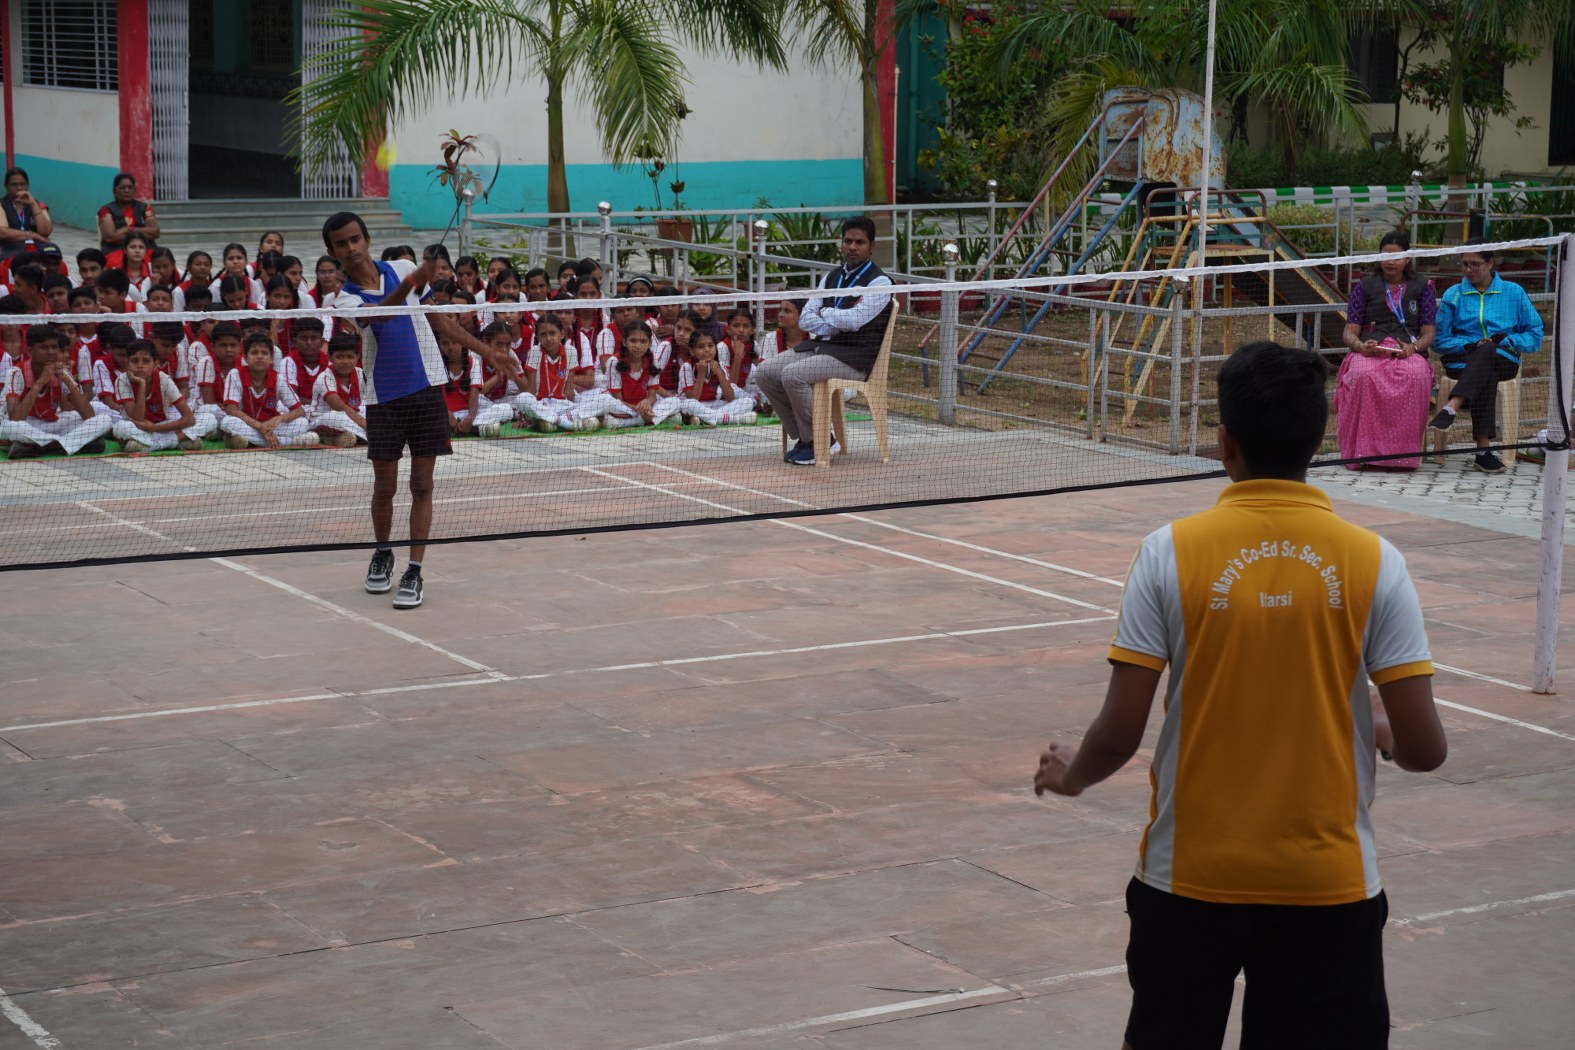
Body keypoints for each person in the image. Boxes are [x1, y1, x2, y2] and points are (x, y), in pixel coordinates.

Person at [1033, 341, 1446, 1050]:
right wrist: (1380, 729)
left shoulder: (1167, 551)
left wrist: (1074, 775)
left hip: (1188, 878)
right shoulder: (1377, 561)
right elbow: (1426, 749)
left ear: (1225, 443)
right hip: (1327, 882)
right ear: (1318, 440)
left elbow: (1120, 730)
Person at [323, 210, 520, 609]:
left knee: (423, 485)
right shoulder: (344, 299)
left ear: (367, 239)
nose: (351, 248)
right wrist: (412, 282)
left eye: (355, 239)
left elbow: (440, 322)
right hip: (384, 398)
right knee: (385, 487)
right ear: (333, 253)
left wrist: (487, 352)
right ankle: (383, 552)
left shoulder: (402, 268)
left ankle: (414, 569)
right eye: (341, 244)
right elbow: (384, 314)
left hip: (427, 390)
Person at [752, 216, 892, 465]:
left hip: (855, 357)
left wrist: (826, 313)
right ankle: (806, 437)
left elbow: (855, 321)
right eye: (848, 241)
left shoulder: (880, 282)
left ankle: (821, 441)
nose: (852, 247)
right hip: (822, 347)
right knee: (765, 372)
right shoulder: (830, 278)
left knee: (793, 374)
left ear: (871, 246)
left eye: (859, 242)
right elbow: (806, 319)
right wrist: (837, 320)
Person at [1430, 237, 1546, 473]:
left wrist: (1505, 340)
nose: (1468, 270)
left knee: (1489, 350)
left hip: (1504, 359)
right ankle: (1483, 453)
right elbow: (1439, 340)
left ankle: (1454, 404)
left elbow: (1534, 336)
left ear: (1490, 263)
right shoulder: (1454, 294)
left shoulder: (1514, 293)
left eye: (1475, 264)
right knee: (1486, 367)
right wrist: (1471, 344)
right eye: (1464, 264)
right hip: (1461, 361)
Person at [1335, 230, 1436, 470]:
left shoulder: (1424, 287)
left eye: (1397, 257)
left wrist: (1413, 348)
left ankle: (1403, 456)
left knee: (1416, 375)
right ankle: (1363, 453)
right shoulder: (1364, 286)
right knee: (1363, 375)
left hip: (1408, 351)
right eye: (1386, 256)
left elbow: (1429, 333)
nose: (1391, 262)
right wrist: (1361, 346)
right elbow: (1349, 332)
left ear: (1407, 258)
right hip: (1370, 351)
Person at [2, 323, 113, 458]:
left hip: (51, 424)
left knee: (104, 420)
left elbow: (89, 416)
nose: (51, 352)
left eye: (54, 347)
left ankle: (44, 446)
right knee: (12, 428)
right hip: (26, 424)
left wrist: (68, 381)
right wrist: (40, 382)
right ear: (30, 351)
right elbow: (15, 419)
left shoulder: (62, 373)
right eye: (44, 348)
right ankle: (72, 444)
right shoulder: (16, 373)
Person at [220, 331, 317, 449]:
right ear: (245, 357)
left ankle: (250, 441)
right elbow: (231, 409)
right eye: (254, 353)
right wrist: (260, 427)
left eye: (264, 353)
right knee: (227, 422)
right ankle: (289, 442)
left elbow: (299, 410)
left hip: (271, 426)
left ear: (271, 359)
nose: (259, 356)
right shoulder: (235, 374)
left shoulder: (278, 378)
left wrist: (278, 419)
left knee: (302, 423)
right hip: (248, 424)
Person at [114, 340, 211, 453]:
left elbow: (189, 418)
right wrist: (142, 384)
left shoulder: (164, 379)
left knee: (208, 418)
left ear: (156, 365)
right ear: (127, 363)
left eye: (146, 361)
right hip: (137, 428)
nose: (140, 365)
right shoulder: (122, 381)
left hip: (163, 427)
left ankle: (149, 445)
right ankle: (177, 440)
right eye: (135, 361)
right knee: (120, 428)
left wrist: (154, 428)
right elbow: (138, 420)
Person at [673, 329, 756, 427]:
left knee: (747, 402)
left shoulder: (719, 365)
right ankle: (734, 419)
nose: (707, 349)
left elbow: (730, 397)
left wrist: (719, 373)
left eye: (710, 345)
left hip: (713, 405)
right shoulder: (687, 367)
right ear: (692, 351)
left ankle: (705, 419)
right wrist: (701, 375)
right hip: (693, 407)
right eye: (701, 346)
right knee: (689, 404)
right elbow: (693, 399)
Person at [312, 332, 369, 446]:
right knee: (337, 417)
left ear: (357, 357)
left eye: (350, 356)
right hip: (325, 418)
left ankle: (351, 437)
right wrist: (369, 426)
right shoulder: (324, 377)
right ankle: (370, 436)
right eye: (339, 357)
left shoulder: (360, 373)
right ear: (330, 357)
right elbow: (340, 407)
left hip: (354, 416)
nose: (345, 362)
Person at [97, 172, 160, 251]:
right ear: (115, 191)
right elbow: (110, 237)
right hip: (116, 249)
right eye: (122, 188)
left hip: (143, 249)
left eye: (130, 187)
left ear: (135, 190)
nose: (127, 190)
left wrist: (128, 230)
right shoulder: (106, 210)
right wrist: (143, 232)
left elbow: (155, 232)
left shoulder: (145, 208)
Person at [1, 167, 54, 258]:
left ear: (27, 185)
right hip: (9, 250)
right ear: (6, 186)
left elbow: (46, 231)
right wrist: (33, 235)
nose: (19, 188)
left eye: (22, 184)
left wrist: (33, 204)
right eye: (14, 184)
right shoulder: (2, 204)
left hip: (37, 249)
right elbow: (3, 232)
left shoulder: (37, 204)